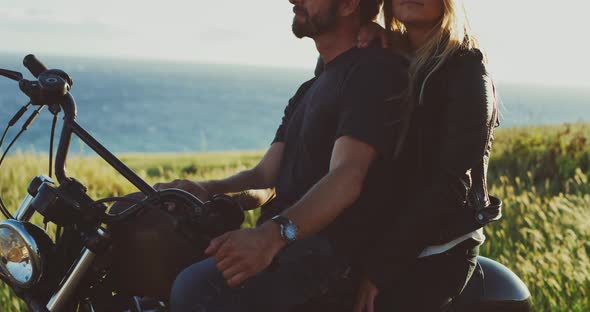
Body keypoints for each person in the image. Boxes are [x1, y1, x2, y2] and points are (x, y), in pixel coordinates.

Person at [154, 0, 409, 310]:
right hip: (289, 244)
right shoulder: (310, 89)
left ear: (349, 5)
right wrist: (207, 190)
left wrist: (270, 237)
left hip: (331, 258)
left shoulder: (374, 72)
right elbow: (265, 178)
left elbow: (347, 175)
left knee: (195, 289)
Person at [351, 0, 500, 311]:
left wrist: (379, 271)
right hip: (383, 242)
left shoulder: (467, 70)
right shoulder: (389, 56)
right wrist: (362, 31)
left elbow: (450, 185)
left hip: (439, 250)